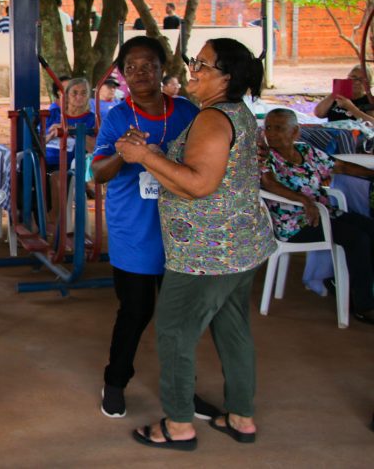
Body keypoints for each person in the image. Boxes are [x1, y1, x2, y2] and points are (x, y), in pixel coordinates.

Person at [118, 38, 275, 450]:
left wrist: (142, 157)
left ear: (227, 77)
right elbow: (192, 180)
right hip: (241, 247)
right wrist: (154, 153)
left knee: (173, 332)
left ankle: (179, 425)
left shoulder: (211, 119)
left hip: (206, 257)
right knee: (233, 329)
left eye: (202, 64)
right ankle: (240, 417)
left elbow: (199, 185)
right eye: (194, 61)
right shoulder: (235, 113)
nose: (192, 69)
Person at [91, 36, 200, 419]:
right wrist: (123, 153)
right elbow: (97, 172)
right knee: (136, 311)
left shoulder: (187, 112)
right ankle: (115, 381)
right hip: (135, 233)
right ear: (122, 75)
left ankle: (185, 390)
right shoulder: (119, 117)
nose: (140, 73)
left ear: (162, 68)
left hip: (182, 232)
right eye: (131, 67)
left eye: (148, 65)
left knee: (182, 317)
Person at [261, 108, 374, 323]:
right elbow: (269, 183)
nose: (271, 133)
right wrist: (304, 201)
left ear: (295, 132)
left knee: (369, 228)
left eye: (278, 128)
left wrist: (371, 174)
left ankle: (352, 286)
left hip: (324, 214)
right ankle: (364, 306)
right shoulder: (265, 156)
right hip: (294, 224)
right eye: (268, 128)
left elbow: (339, 166)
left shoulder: (307, 151)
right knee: (357, 238)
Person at [45, 77, 97, 170]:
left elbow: (95, 149)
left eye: (84, 93)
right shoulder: (53, 114)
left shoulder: (92, 119)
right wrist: (51, 135)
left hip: (70, 166)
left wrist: (71, 130)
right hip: (42, 161)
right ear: (66, 95)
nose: (79, 97)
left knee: (57, 177)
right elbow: (36, 143)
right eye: (75, 93)